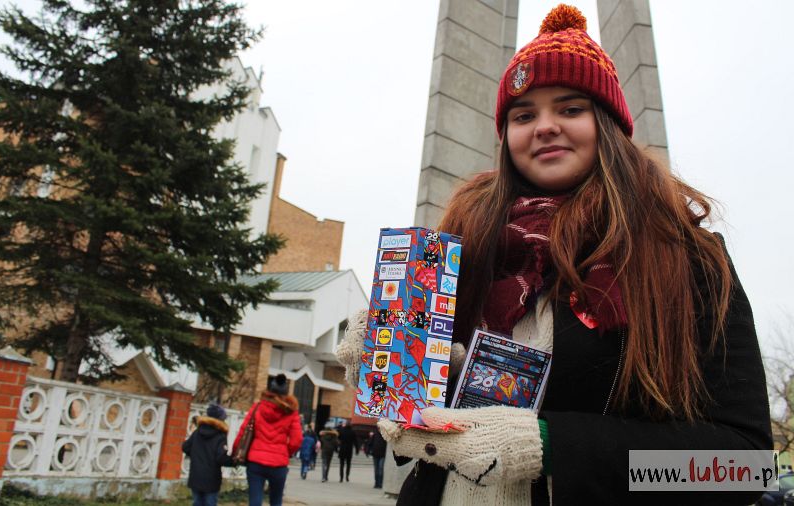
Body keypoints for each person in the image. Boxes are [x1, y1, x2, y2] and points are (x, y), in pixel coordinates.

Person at [336, 4, 772, 505]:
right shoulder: (457, 252)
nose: (544, 127)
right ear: (506, 137)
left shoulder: (688, 259)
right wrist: (399, 367)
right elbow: (426, 431)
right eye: (524, 115)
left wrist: (547, 445)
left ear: (608, 124)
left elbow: (743, 468)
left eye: (570, 109)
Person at [232, 374, 302, 506]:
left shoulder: (257, 407)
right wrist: (285, 452)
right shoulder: (291, 412)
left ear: (269, 390)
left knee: (255, 501)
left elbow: (243, 432)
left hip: (256, 461)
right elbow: (296, 440)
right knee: (276, 501)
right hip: (279, 464)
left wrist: (235, 451)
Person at [182, 404, 233, 506]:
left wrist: (196, 455)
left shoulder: (197, 432)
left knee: (197, 502)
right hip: (211, 479)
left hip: (195, 475)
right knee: (210, 503)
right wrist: (234, 461)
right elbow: (220, 458)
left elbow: (185, 447)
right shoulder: (220, 436)